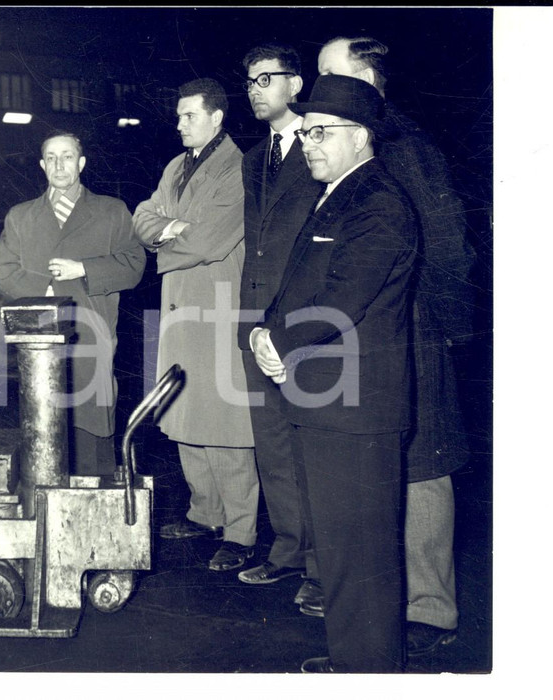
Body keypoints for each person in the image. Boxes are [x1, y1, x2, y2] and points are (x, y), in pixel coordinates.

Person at [310, 36, 476, 656]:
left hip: (411, 329)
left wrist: (433, 327)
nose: (316, 87)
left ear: (368, 80)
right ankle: (380, 601)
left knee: (423, 464)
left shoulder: (405, 147)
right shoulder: (343, 142)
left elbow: (448, 246)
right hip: (364, 330)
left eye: (330, 74)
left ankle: (430, 610)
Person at [252, 74, 418, 672]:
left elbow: (344, 296)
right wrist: (264, 330)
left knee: (361, 556)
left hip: (353, 412)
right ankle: (356, 661)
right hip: (324, 402)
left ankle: (370, 672)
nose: (310, 144)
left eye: (320, 132)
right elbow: (301, 284)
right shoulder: (338, 193)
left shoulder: (378, 203)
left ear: (362, 137)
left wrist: (280, 339)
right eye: (306, 132)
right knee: (344, 552)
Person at [133, 79, 258, 572]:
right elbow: (142, 217)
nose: (180, 123)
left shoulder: (238, 168)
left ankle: (242, 531)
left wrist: (169, 236)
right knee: (184, 411)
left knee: (224, 420)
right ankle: (205, 513)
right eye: (180, 115)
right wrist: (170, 229)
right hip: (180, 304)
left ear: (217, 117)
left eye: (189, 115)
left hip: (217, 304)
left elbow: (209, 243)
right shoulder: (174, 167)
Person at [0, 131, 145, 475]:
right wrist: (46, 289)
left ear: (81, 163)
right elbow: (2, 269)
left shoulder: (111, 211)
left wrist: (84, 269)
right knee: (46, 425)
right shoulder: (20, 216)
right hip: (40, 340)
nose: (59, 164)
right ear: (42, 165)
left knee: (93, 421)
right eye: (51, 157)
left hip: (93, 332)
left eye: (67, 156)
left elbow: (134, 265)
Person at [235, 44, 323, 591]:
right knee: (271, 442)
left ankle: (322, 566)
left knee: (312, 442)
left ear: (296, 84)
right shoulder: (252, 158)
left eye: (267, 78)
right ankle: (288, 548)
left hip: (305, 317)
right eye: (249, 81)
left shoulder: (321, 146)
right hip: (255, 316)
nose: (255, 89)